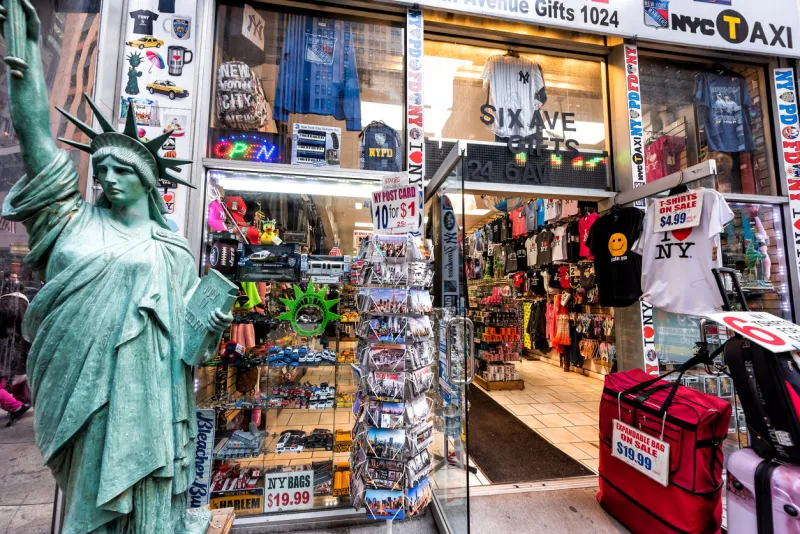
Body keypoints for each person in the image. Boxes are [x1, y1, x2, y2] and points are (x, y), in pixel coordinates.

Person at [0, 1, 233, 532]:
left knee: (148, 505)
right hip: (83, 389)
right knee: (89, 495)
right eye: (101, 169)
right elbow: (37, 144)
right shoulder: (72, 221)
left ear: (147, 181)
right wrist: (27, 62)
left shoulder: (171, 249)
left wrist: (212, 329)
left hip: (149, 397)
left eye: (120, 170)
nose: (107, 178)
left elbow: (188, 345)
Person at [0, 280, 31, 426]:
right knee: (19, 377)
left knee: (8, 378)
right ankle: (23, 401)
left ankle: (16, 406)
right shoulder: (26, 304)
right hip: (23, 349)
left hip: (6, 351)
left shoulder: (3, 304)